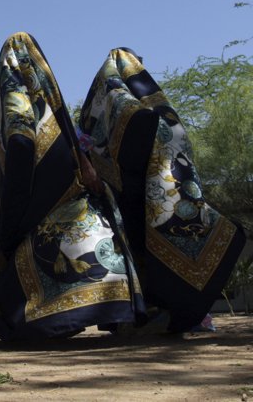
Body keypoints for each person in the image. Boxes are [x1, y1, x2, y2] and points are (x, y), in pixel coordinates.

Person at [0, 32, 145, 341]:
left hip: (37, 193)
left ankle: (65, 316)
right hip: (60, 188)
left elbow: (16, 142)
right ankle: (101, 312)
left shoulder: (10, 98)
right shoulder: (44, 104)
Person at [79, 47, 245, 332]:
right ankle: (152, 313)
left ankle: (149, 314)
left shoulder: (106, 106)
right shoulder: (127, 103)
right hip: (138, 198)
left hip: (138, 197)